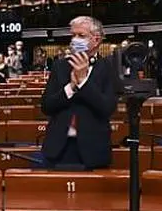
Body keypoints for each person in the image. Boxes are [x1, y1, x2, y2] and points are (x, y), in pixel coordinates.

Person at [40, 16, 118, 169]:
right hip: (58, 148)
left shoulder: (108, 68)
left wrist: (83, 82)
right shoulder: (59, 66)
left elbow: (107, 108)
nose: (75, 40)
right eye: (73, 35)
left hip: (94, 149)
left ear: (96, 40)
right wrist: (71, 87)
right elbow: (46, 106)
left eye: (81, 35)